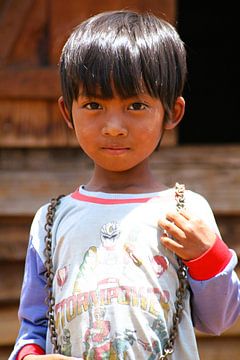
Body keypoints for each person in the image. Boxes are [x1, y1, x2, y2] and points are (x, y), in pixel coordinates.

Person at [9, 10, 239, 360]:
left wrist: (208, 255)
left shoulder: (185, 211)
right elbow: (33, 327)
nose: (114, 126)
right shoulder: (51, 221)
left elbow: (219, 319)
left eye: (136, 105)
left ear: (172, 113)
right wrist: (30, 356)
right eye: (93, 104)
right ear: (67, 113)